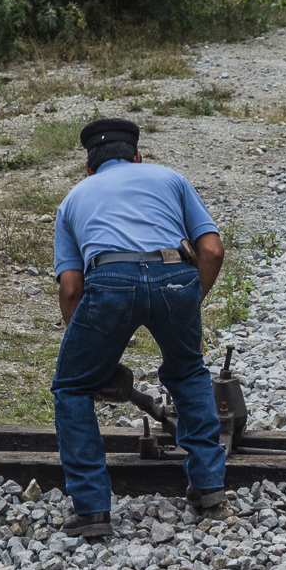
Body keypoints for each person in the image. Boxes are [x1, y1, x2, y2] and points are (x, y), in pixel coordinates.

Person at [52, 118, 227, 539]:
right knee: (187, 372)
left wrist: (89, 360)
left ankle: (93, 511)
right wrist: (189, 302)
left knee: (71, 390)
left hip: (110, 280)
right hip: (173, 273)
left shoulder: (74, 198)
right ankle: (209, 490)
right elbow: (212, 249)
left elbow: (72, 289)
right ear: (138, 156)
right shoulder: (170, 179)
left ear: (89, 167)